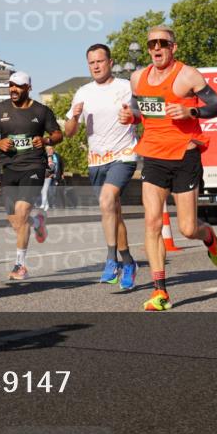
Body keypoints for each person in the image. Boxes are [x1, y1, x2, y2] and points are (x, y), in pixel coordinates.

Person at [122, 25, 217, 311]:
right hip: (153, 155)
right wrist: (129, 116)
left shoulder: (188, 75)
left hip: (184, 155)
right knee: (152, 222)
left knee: (187, 227)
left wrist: (190, 110)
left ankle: (210, 237)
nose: (157, 48)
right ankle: (160, 291)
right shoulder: (137, 78)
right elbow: (137, 109)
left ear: (173, 47)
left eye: (162, 43)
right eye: (152, 44)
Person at [64, 43, 140, 290]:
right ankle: (128, 262)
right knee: (112, 213)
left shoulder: (126, 87)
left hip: (124, 155)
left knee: (107, 202)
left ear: (110, 62)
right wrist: (74, 118)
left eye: (100, 61)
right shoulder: (83, 92)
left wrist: (132, 116)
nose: (96, 66)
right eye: (91, 62)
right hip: (96, 161)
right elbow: (69, 133)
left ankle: (111, 261)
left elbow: (144, 116)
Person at [0, 71, 62, 281]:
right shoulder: (0, 109)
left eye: (18, 86)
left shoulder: (41, 110)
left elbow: (58, 134)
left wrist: (45, 141)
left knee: (21, 212)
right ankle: (37, 223)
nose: (13, 89)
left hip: (33, 166)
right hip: (9, 166)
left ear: (28, 87)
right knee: (15, 220)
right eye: (11, 85)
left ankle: (20, 265)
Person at [39, 145, 60, 210]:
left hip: (48, 176)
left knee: (45, 191)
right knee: (43, 191)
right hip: (44, 175)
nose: (50, 150)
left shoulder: (52, 156)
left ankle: (43, 204)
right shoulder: (45, 155)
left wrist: (53, 173)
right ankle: (46, 204)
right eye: (48, 149)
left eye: (50, 149)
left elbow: (52, 167)